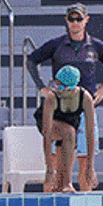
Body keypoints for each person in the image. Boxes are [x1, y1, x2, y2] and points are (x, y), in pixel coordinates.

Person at [27, 3, 103, 191]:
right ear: (66, 21)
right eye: (71, 19)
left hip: (81, 107)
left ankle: (85, 205)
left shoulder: (95, 47)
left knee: (85, 162)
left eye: (79, 19)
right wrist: (42, 87)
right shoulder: (57, 45)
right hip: (60, 110)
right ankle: (54, 197)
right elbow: (32, 60)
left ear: (86, 20)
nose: (75, 23)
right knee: (56, 161)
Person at [34, 65, 97, 193]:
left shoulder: (85, 97)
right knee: (69, 133)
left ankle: (61, 185)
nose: (59, 90)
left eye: (62, 87)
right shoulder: (52, 97)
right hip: (49, 122)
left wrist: (90, 167)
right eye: (56, 86)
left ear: (73, 87)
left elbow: (90, 134)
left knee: (68, 146)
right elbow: (47, 134)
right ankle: (66, 183)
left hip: (70, 124)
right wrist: (49, 170)